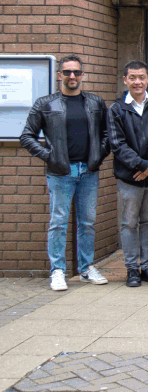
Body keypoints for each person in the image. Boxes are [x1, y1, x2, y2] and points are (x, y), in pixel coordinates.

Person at [20, 55, 110, 291]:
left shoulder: (95, 103)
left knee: (87, 223)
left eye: (77, 72)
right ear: (59, 74)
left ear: (83, 75)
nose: (72, 76)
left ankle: (86, 268)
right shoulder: (46, 104)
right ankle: (57, 271)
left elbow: (107, 135)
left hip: (88, 171)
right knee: (58, 223)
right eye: (67, 72)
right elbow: (27, 136)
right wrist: (50, 156)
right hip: (60, 171)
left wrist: (97, 157)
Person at [107, 60, 148, 287]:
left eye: (141, 77)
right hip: (129, 177)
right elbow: (117, 144)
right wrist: (141, 165)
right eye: (132, 77)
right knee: (129, 223)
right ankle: (132, 268)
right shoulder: (116, 109)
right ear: (125, 80)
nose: (137, 82)